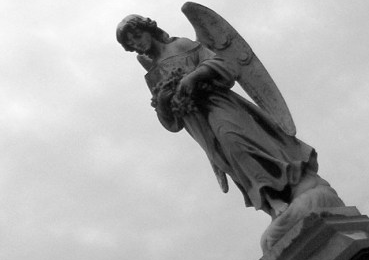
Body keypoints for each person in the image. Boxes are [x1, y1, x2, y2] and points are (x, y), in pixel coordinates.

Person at [116, 14, 330, 226]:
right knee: (227, 159)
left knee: (234, 140)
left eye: (137, 36)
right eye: (131, 44)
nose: (137, 44)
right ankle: (271, 201)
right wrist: (163, 101)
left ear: (148, 29)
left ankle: (289, 180)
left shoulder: (180, 45)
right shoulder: (152, 75)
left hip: (218, 103)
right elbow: (170, 123)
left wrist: (193, 76)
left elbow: (221, 64)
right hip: (197, 123)